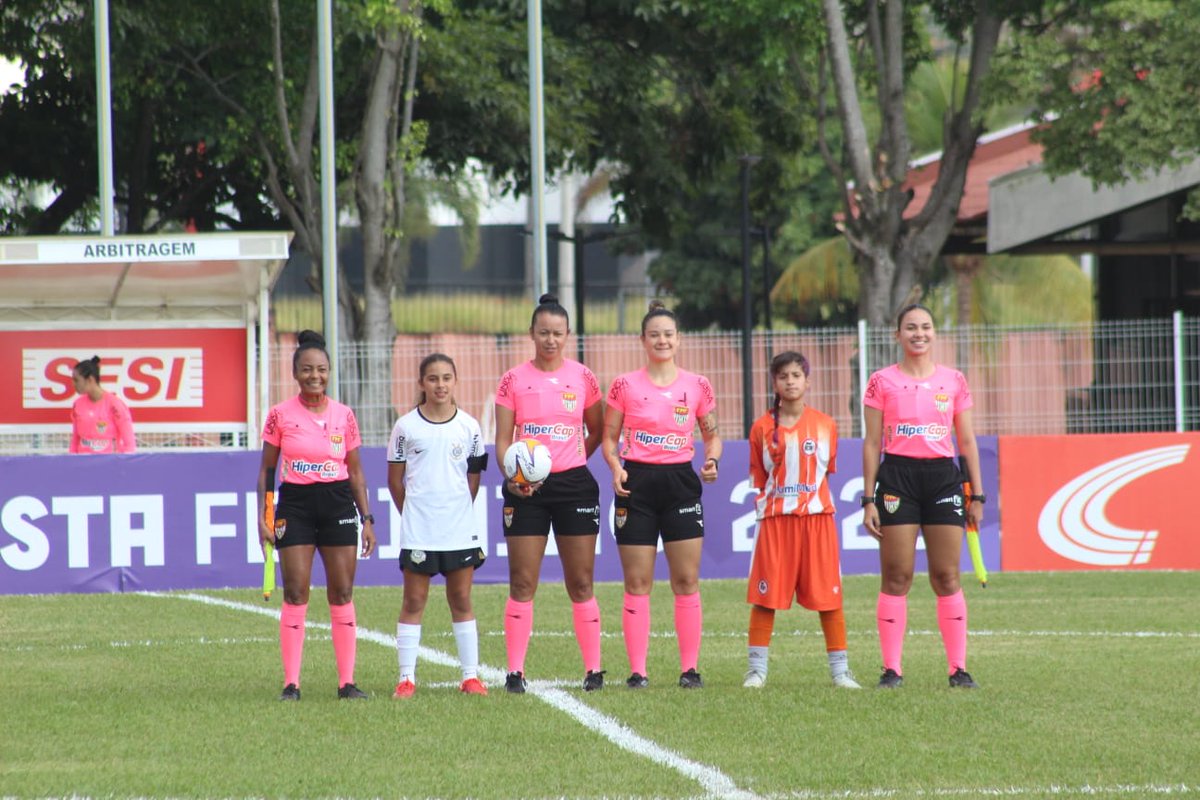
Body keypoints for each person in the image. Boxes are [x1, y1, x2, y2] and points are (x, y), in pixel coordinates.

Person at [861, 304, 985, 689]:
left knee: (946, 575)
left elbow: (965, 440)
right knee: (897, 576)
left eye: (926, 327)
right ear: (897, 335)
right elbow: (872, 443)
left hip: (943, 479)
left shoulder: (953, 381)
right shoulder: (882, 381)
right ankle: (892, 670)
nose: (919, 333)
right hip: (898, 478)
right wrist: (868, 500)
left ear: (934, 333)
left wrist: (977, 493)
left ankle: (958, 669)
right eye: (910, 327)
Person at [601, 301, 721, 689]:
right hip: (636, 484)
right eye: (655, 334)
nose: (662, 340)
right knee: (637, 583)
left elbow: (712, 434)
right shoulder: (624, 385)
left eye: (668, 334)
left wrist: (712, 460)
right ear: (643, 340)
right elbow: (608, 439)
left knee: (686, 580)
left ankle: (690, 670)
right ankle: (638, 672)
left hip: (680, 484)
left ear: (679, 339)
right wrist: (617, 467)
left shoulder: (697, 385)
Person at [257, 330, 377, 701]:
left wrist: (367, 518)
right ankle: (291, 684)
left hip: (338, 503)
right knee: (296, 591)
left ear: (329, 373)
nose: (315, 376)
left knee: (341, 591)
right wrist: (265, 515)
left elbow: (355, 471)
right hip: (295, 505)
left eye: (322, 370)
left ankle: (347, 683)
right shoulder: (279, 415)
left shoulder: (344, 415)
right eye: (307, 369)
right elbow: (266, 471)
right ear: (295, 373)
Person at [495, 293, 605, 693]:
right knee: (523, 581)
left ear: (567, 335)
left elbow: (596, 429)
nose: (550, 340)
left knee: (580, 582)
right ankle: (514, 672)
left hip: (574, 485)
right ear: (531, 334)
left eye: (557, 333)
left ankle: (593, 670)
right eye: (543, 333)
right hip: (526, 491)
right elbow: (503, 442)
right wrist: (516, 477)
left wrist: (574, 458)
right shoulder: (513, 379)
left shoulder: (583, 377)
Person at [743, 352, 861, 690]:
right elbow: (760, 476)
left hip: (817, 521)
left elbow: (827, 471)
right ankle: (756, 670)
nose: (790, 381)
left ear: (807, 381)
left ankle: (840, 672)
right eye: (783, 376)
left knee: (829, 598)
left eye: (796, 375)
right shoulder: (761, 428)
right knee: (766, 598)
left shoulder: (826, 425)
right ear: (774, 383)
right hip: (776, 522)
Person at [387, 354, 489, 698]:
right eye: (433, 379)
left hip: (459, 528)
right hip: (419, 529)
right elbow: (394, 481)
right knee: (414, 600)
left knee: (461, 597)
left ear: (455, 381)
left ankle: (471, 676)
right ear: (421, 384)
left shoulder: (470, 427)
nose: (440, 385)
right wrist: (415, 513)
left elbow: (473, 478)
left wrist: (456, 509)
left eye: (447, 378)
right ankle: (406, 678)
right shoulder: (405, 427)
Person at [69, 356, 135, 454]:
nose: (73, 384)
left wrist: (122, 465)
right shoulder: (78, 404)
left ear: (90, 379)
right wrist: (72, 461)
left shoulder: (115, 404)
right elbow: (75, 439)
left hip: (110, 464)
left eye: (76, 380)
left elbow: (130, 444)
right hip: (84, 465)